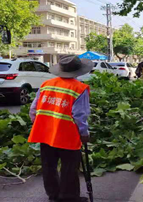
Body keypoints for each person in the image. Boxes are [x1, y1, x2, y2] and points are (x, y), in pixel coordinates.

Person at [28, 55, 94, 202]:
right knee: (69, 166)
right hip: (67, 135)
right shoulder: (79, 88)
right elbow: (79, 115)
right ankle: (69, 197)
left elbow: (33, 109)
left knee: (48, 166)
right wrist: (84, 133)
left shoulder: (46, 84)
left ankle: (54, 195)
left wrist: (39, 123)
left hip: (45, 133)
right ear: (78, 71)